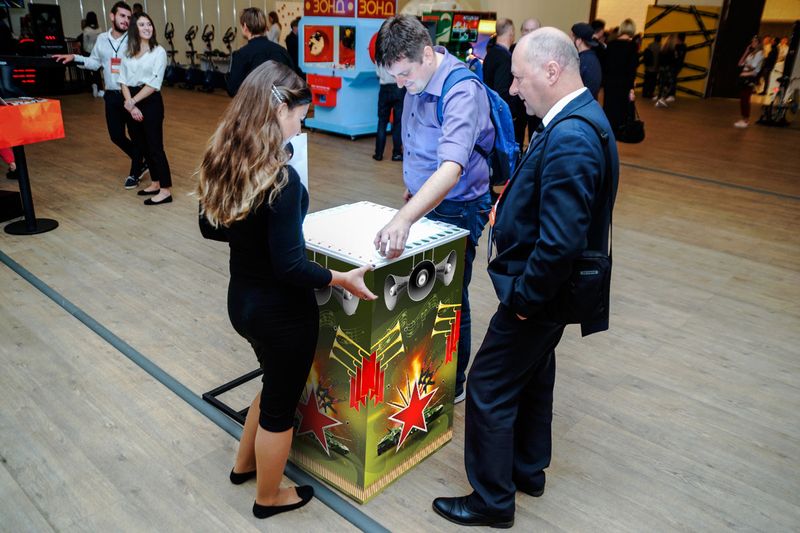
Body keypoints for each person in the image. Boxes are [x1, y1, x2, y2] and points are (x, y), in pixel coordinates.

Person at [432, 27, 618, 528]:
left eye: (518, 77)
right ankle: (527, 469)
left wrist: (523, 301)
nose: (512, 90)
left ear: (551, 71)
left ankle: (491, 500)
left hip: (538, 294)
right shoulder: (579, 118)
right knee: (534, 374)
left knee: (487, 384)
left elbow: (559, 243)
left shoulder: (572, 137)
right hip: (549, 294)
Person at [197, 61, 376, 520]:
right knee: (280, 408)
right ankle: (269, 497)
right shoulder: (280, 178)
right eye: (300, 116)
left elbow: (209, 226)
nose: (301, 127)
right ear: (279, 109)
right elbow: (292, 267)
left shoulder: (225, 158)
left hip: (242, 302)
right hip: (282, 315)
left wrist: (251, 231)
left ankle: (244, 466)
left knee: (271, 384)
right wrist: (340, 278)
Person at [373, 15, 494, 404]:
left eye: (405, 74)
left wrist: (405, 217)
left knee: (451, 296)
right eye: (394, 77)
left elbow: (451, 168)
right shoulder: (417, 79)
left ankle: (453, 382)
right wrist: (413, 191)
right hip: (426, 201)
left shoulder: (461, 91)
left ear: (427, 54)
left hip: (459, 207)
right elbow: (419, 143)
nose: (400, 84)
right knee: (426, 291)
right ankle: (426, 367)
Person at [53, 2, 147, 190]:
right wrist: (75, 58)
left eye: (128, 17)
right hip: (111, 95)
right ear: (112, 16)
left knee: (136, 136)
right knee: (116, 136)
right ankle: (142, 160)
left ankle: (135, 172)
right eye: (122, 16)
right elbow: (95, 62)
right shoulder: (102, 39)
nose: (126, 20)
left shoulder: (135, 39)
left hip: (131, 94)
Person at [119, 12, 172, 205]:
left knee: (155, 146)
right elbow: (122, 80)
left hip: (150, 101)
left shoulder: (159, 52)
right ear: (134, 28)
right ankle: (155, 183)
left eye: (149, 24)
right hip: (131, 101)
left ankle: (165, 190)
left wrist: (132, 101)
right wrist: (130, 104)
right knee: (142, 146)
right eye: (142, 25)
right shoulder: (128, 52)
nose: (147, 28)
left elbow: (154, 83)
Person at [227, 7, 294, 97]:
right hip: (280, 103)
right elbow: (293, 82)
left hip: (253, 104)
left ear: (245, 27)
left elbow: (233, 89)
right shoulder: (282, 51)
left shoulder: (241, 55)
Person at [483, 19, 521, 141]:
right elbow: (501, 92)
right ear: (511, 33)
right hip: (502, 118)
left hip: (491, 114)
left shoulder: (490, 54)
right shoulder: (505, 57)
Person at [601, 18, 638, 135]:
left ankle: (607, 133)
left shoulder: (611, 45)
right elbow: (631, 70)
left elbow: (605, 66)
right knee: (621, 110)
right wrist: (631, 89)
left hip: (610, 83)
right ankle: (618, 133)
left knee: (609, 108)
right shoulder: (632, 47)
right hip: (624, 84)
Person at [511, 18, 543, 146]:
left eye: (533, 30)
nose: (529, 34)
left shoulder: (546, 52)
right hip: (518, 102)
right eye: (526, 30)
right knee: (516, 137)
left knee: (535, 137)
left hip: (537, 102)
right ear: (521, 31)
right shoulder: (513, 50)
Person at [373, 63, 404, 161]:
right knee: (398, 123)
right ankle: (397, 154)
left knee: (382, 123)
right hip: (398, 88)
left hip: (384, 89)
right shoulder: (398, 56)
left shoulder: (379, 56)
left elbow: (378, 74)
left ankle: (378, 154)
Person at [734, 35, 763, 129]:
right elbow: (740, 63)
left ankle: (746, 120)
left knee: (745, 98)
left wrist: (746, 66)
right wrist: (746, 51)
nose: (752, 43)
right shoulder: (751, 53)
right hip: (745, 75)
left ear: (759, 43)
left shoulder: (760, 53)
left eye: (755, 41)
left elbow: (753, 67)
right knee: (743, 98)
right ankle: (744, 118)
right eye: (752, 41)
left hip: (750, 77)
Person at [571, 22, 602, 99]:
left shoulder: (583, 61)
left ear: (579, 41)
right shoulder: (591, 58)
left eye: (572, 37)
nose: (570, 40)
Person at [655, 34, 676, 108]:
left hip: (661, 69)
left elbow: (659, 59)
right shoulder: (672, 50)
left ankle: (659, 97)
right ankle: (662, 98)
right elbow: (673, 61)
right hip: (668, 69)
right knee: (668, 84)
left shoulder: (662, 48)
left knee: (661, 83)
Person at [642, 34, 661, 98]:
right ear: (660, 39)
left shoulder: (650, 45)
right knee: (652, 82)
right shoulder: (660, 47)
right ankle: (650, 93)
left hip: (648, 67)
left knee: (646, 81)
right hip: (655, 68)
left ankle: (644, 93)